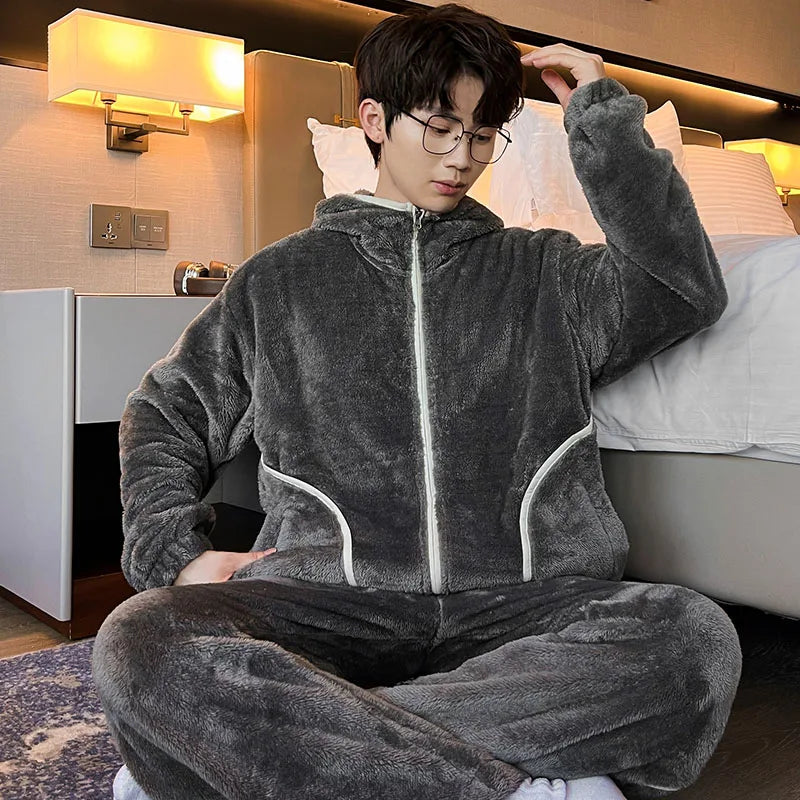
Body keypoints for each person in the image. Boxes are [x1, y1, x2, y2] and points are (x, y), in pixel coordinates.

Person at [93, 5, 742, 800]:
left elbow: (681, 287)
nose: (461, 157)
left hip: (523, 603)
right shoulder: (278, 281)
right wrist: (173, 553)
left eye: (482, 135)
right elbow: (165, 415)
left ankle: (274, 747)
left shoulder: (549, 273)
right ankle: (515, 786)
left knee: (691, 642)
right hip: (329, 605)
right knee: (141, 641)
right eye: (439, 128)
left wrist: (601, 118)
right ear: (374, 120)